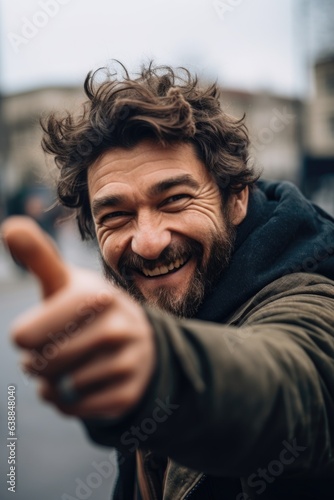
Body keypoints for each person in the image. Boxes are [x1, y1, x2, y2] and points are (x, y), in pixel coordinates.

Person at [3, 62, 334, 500]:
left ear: (236, 198)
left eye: (175, 200)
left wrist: (159, 369)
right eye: (116, 216)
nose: (149, 242)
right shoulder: (150, 294)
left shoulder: (310, 288)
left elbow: (296, 384)